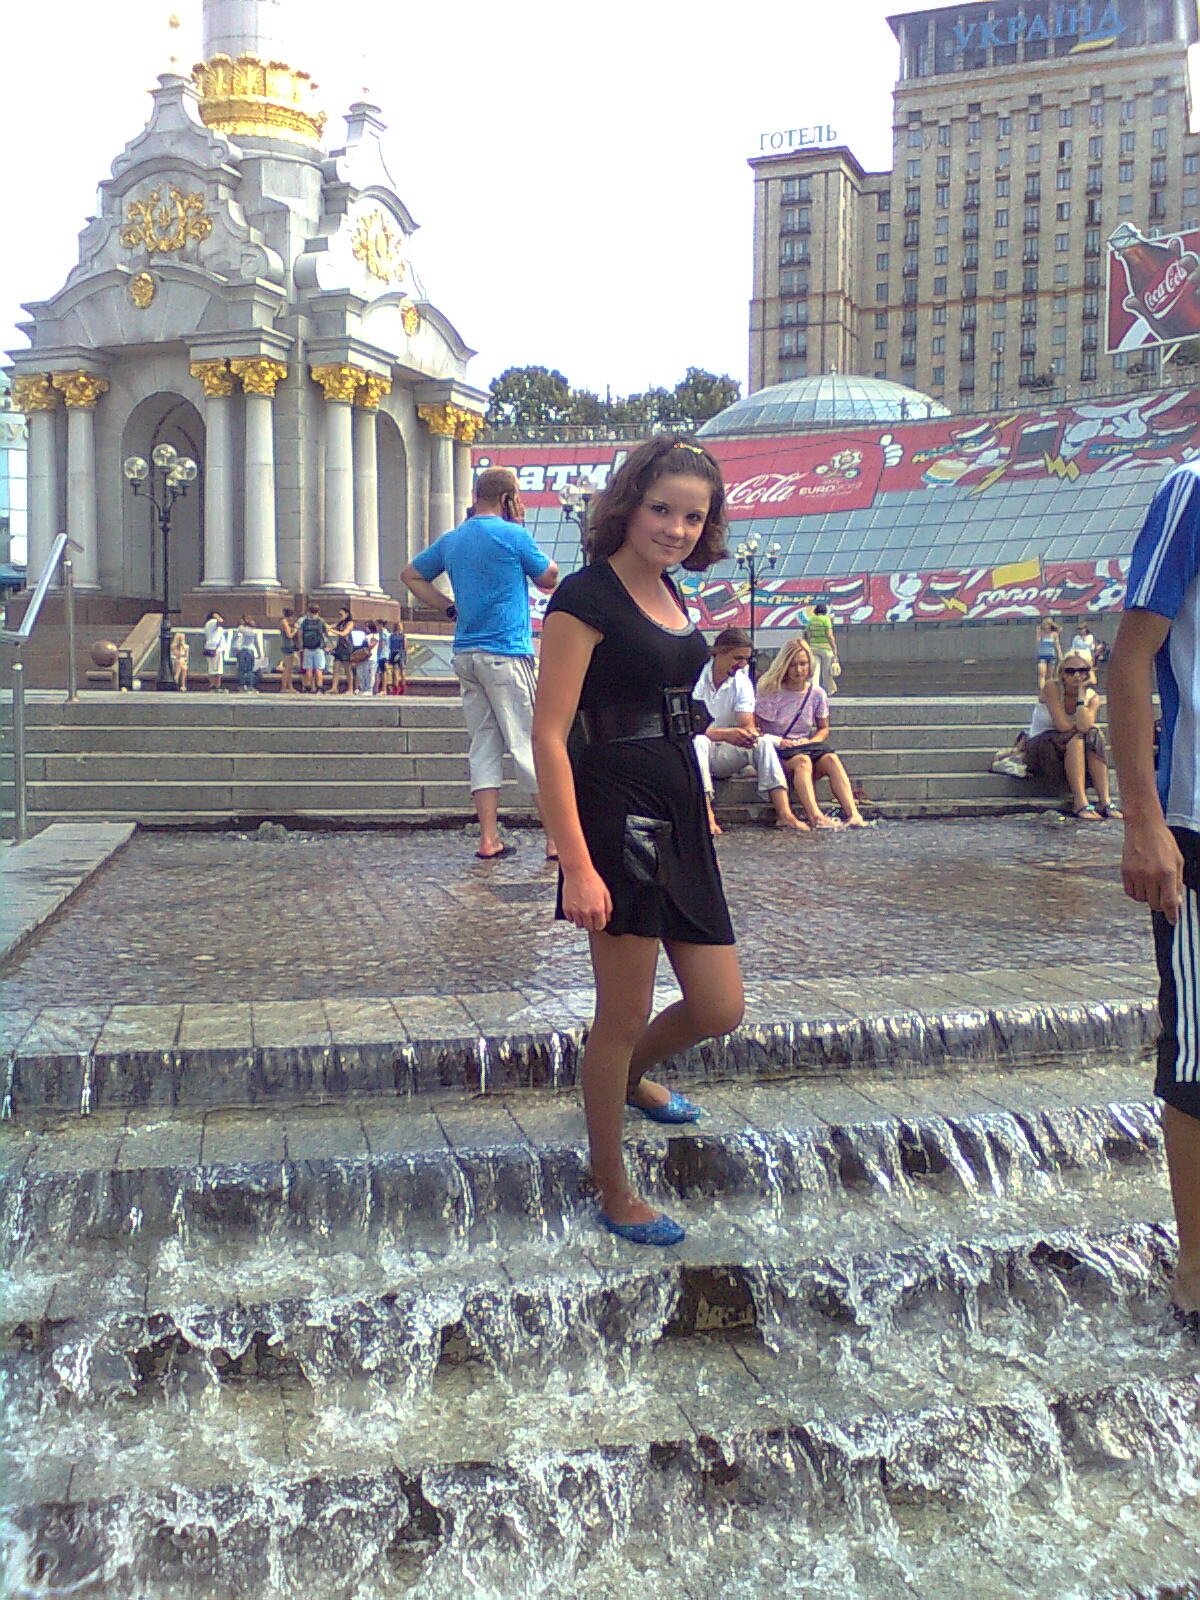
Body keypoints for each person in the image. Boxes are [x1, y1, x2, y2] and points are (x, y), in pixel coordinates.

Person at [531, 435, 745, 1248]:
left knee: (719, 1007)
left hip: (680, 810)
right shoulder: (585, 597)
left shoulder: (671, 589)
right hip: (619, 816)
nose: (677, 529)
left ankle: (628, 1079)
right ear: (627, 506)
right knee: (620, 1014)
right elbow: (550, 736)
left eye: (693, 517)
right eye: (662, 510)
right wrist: (576, 862)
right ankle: (611, 1184)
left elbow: (667, 704)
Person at [1108, 460, 1200, 1333]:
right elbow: (1131, 655)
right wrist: (1143, 820)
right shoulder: (1192, 489)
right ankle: (1196, 1272)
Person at [402, 466, 560, 861]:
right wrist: (520, 527)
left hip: (466, 653)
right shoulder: (512, 534)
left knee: (484, 745)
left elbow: (411, 575)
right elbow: (549, 578)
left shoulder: (453, 539)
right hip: (506, 652)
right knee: (528, 743)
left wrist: (449, 607)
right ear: (508, 498)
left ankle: (489, 838)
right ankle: (555, 839)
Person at [692, 626, 808, 834]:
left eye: (746, 659)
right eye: (738, 658)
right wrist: (726, 734)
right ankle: (706, 815)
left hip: (726, 752)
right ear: (719, 652)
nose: (743, 664)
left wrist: (748, 734)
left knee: (762, 743)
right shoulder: (695, 678)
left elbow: (746, 723)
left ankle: (784, 813)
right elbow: (690, 727)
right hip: (695, 749)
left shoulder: (741, 681)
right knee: (699, 742)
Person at [755, 637, 868, 828]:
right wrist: (780, 742)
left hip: (805, 746)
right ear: (784, 666)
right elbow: (758, 729)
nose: (799, 670)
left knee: (831, 758)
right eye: (793, 665)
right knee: (803, 761)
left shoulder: (817, 694)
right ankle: (815, 815)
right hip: (778, 750)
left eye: (803, 664)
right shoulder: (771, 692)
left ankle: (853, 814)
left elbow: (823, 728)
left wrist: (810, 741)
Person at [1024, 652, 1122, 820]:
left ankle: (1105, 801)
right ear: (1062, 673)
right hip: (1043, 748)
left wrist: (1081, 695)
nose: (1077, 675)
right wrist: (1081, 725)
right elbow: (1062, 726)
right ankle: (1080, 802)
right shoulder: (1052, 688)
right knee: (1078, 737)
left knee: (1093, 736)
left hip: (1072, 750)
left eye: (1083, 670)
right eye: (1070, 671)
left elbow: (1085, 727)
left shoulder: (1093, 698)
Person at [804, 602, 840, 695]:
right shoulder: (826, 620)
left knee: (815, 672)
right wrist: (834, 649)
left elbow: (808, 635)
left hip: (813, 648)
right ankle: (828, 691)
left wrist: (809, 646)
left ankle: (813, 691)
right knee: (826, 672)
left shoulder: (811, 620)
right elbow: (829, 636)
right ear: (825, 611)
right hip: (826, 649)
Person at [231, 614, 266, 693]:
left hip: (242, 650)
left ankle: (242, 686)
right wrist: (260, 653)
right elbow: (256, 642)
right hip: (250, 650)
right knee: (250, 670)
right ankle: (250, 686)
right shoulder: (253, 630)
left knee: (241, 669)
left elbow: (237, 639)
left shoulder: (240, 628)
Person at [298, 603, 327, 693]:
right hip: (319, 648)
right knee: (319, 669)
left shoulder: (305, 621)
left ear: (309, 611)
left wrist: (301, 646)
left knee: (308, 669)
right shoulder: (321, 621)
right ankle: (319, 688)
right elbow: (326, 634)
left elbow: (300, 634)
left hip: (307, 648)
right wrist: (325, 645)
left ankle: (307, 687)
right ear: (318, 611)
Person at [329, 605, 354, 694]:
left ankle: (350, 689)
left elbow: (344, 633)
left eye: (341, 614)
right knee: (336, 668)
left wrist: (332, 631)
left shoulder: (350, 623)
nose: (339, 616)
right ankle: (334, 688)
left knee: (347, 669)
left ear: (347, 614)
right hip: (339, 647)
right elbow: (330, 626)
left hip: (346, 648)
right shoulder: (340, 623)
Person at [202, 610, 226, 692]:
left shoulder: (207, 624)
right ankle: (217, 686)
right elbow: (221, 621)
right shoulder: (212, 622)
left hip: (210, 647)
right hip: (216, 649)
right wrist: (217, 617)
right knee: (218, 669)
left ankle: (212, 685)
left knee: (211, 668)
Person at [1035, 616, 1062, 689]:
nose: (1045, 626)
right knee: (1041, 673)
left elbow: (1057, 645)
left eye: (1046, 624)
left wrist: (1060, 654)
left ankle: (1049, 690)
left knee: (1050, 675)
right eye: (1044, 624)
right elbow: (1037, 642)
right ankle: (1042, 690)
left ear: (1050, 625)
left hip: (1051, 655)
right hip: (1042, 655)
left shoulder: (1054, 634)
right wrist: (1038, 633)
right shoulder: (1041, 633)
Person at [279, 608, 300, 693]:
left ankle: (290, 687)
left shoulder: (285, 622)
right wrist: (295, 629)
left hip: (289, 646)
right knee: (287, 669)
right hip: (287, 646)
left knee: (290, 669)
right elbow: (289, 635)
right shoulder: (285, 623)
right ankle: (284, 687)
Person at [387, 619, 408, 696]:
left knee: (395, 672)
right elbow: (405, 647)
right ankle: (402, 688)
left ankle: (396, 688)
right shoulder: (403, 636)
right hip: (401, 654)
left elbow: (389, 646)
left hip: (394, 653)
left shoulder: (391, 636)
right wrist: (406, 657)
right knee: (402, 672)